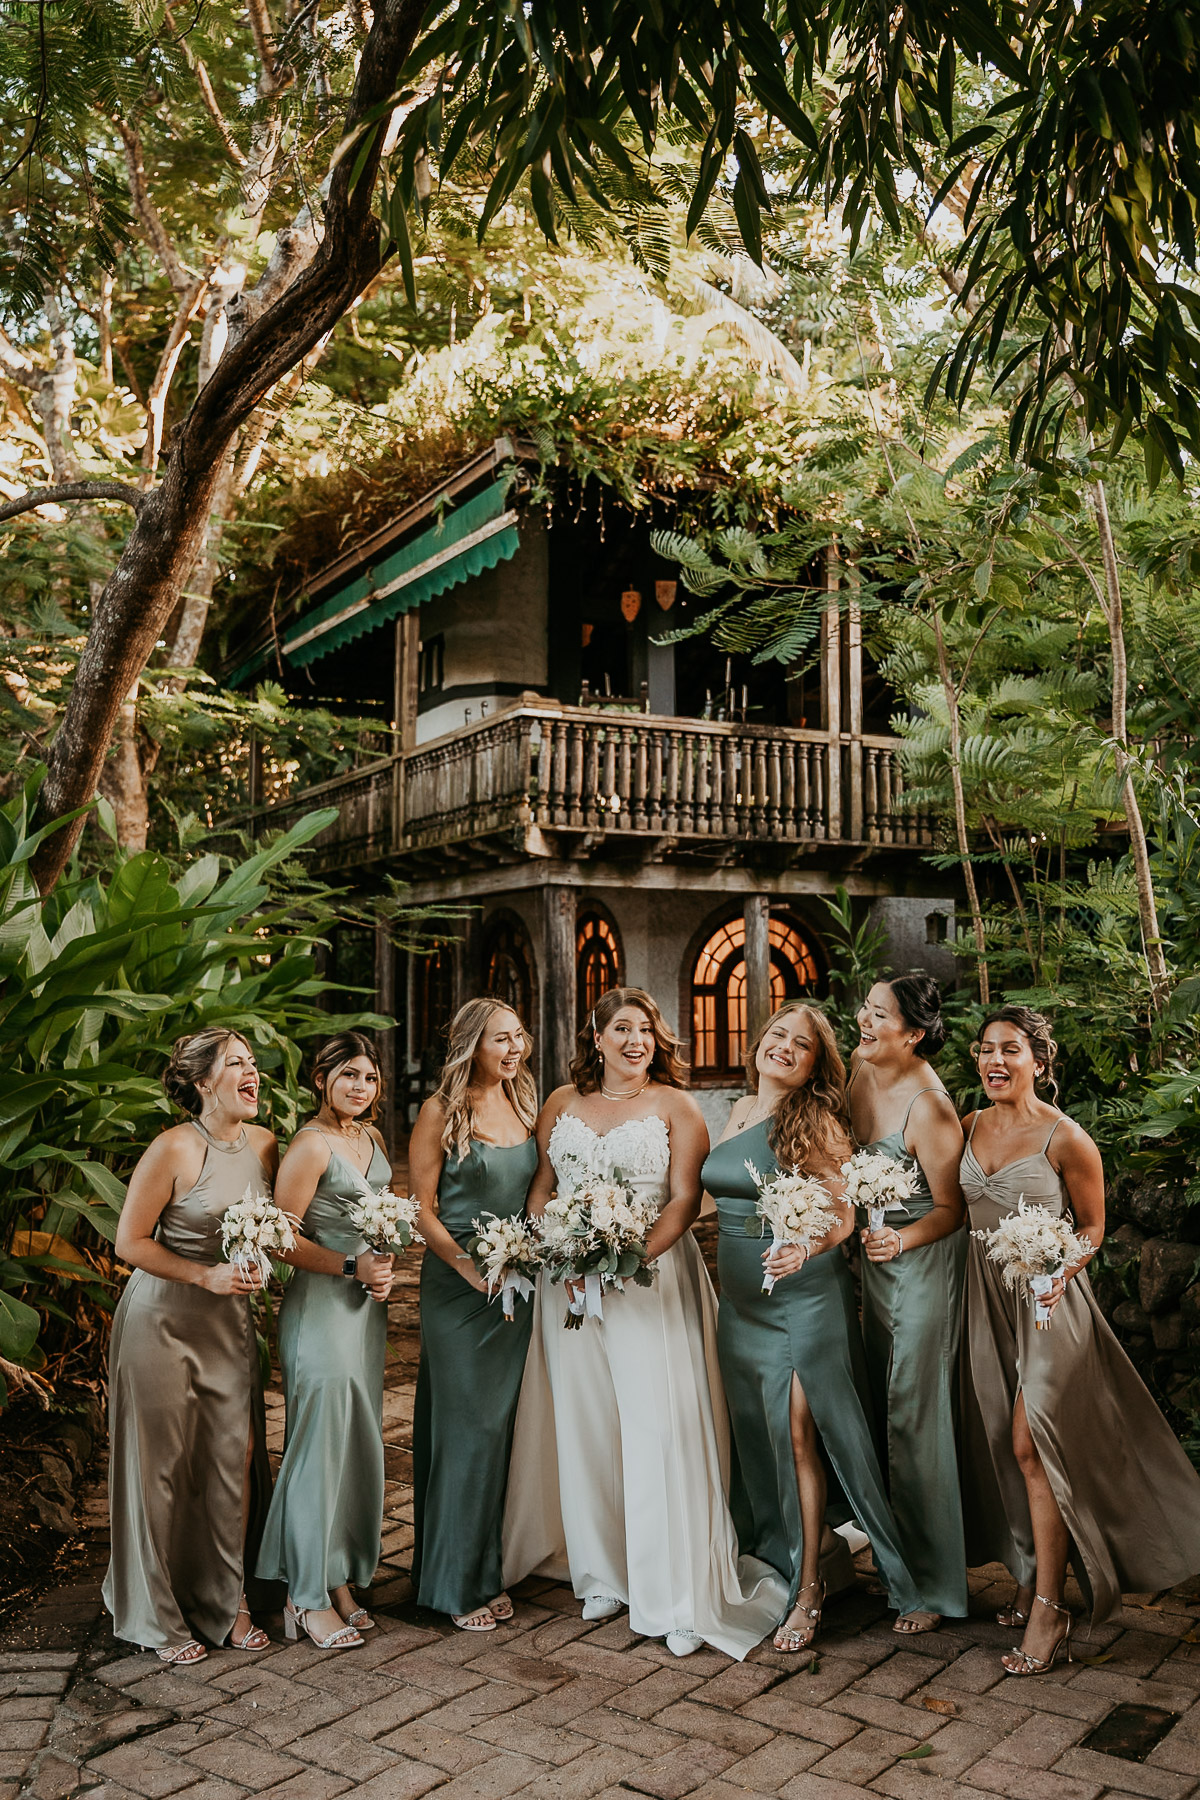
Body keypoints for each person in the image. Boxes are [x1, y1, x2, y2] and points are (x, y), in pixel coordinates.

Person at [503, 987, 786, 1660]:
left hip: (649, 1281)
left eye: (647, 1030)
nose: (637, 1041)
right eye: (623, 1029)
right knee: (587, 1423)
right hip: (569, 1284)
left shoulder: (676, 1106)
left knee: (659, 1428)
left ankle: (678, 1593)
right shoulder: (560, 1103)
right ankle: (603, 1571)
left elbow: (685, 1200)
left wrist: (624, 1261)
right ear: (596, 1037)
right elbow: (542, 1187)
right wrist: (562, 1249)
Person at [961, 1004, 1200, 1676]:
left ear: (1039, 1060)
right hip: (983, 1302)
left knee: (1031, 1442)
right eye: (985, 1049)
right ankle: (1030, 1574)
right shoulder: (966, 1124)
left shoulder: (1067, 1138)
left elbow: (1091, 1227)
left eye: (1010, 1049)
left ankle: (1050, 1607)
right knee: (1001, 1441)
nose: (995, 1061)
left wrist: (1060, 1266)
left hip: (1047, 1307)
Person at [703, 1002, 926, 1653]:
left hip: (803, 1299)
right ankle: (799, 1552)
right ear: (759, 1042)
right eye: (778, 1035)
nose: (785, 1048)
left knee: (804, 1435)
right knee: (763, 1435)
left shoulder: (816, 1121)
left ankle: (810, 1591)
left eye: (801, 1045)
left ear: (813, 1065)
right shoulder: (739, 1111)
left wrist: (805, 1247)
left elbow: (844, 1216)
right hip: (741, 1303)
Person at [104, 1028, 277, 1664]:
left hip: (228, 1325)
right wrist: (204, 1274)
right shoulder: (173, 1147)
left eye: (252, 1062)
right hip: (161, 1324)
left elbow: (282, 1227)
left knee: (234, 1457)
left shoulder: (266, 1145)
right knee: (163, 1466)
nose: (252, 1072)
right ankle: (157, 1614)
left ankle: (228, 1601)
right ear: (204, 1083)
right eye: (236, 1063)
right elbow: (130, 1242)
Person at [256, 1032, 395, 1651]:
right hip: (319, 1309)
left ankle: (336, 1577)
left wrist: (382, 1267)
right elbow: (279, 1239)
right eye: (349, 1075)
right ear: (322, 1080)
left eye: (369, 1077)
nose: (360, 1087)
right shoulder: (310, 1146)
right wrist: (349, 1266)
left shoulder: (372, 1139)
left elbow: (380, 1225)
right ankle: (303, 1594)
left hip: (363, 1312)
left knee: (350, 1441)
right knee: (317, 1446)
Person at [409, 998, 539, 1632]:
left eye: (518, 1037)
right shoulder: (441, 1110)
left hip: (519, 1281)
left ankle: (484, 1567)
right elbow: (420, 1208)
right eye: (500, 1040)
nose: (514, 1049)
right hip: (460, 1286)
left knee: (499, 1427)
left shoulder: (526, 1102)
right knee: (467, 1428)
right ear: (471, 1045)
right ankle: (454, 1586)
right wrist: (467, 1267)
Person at [849, 975, 968, 1628]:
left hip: (921, 1264)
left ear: (914, 1033)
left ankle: (936, 1585)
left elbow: (951, 1210)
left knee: (915, 1416)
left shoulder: (931, 1108)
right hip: (875, 1266)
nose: (864, 1022)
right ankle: (896, 1560)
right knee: (882, 1403)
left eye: (879, 1015)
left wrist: (901, 1239)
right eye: (865, 1009)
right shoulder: (860, 1071)